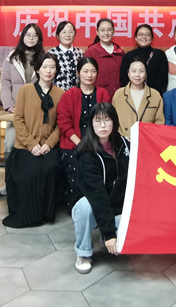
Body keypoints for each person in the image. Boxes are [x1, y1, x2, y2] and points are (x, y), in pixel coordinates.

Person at [2, 52, 64, 228]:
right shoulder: (25, 90)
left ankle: (45, 214)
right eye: (45, 67)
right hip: (25, 146)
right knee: (26, 174)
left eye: (52, 67)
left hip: (48, 147)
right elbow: (18, 119)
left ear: (56, 70)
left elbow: (60, 125)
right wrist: (31, 144)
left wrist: (48, 144)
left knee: (49, 169)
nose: (48, 71)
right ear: (37, 69)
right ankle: (27, 215)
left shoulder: (61, 93)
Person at [72, 103, 130, 274]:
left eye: (107, 120)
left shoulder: (124, 144)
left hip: (116, 205)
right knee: (84, 208)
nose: (103, 126)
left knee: (123, 248)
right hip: (93, 205)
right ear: (91, 124)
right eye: (98, 121)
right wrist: (110, 233)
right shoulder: (87, 153)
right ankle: (83, 252)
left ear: (115, 122)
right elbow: (98, 196)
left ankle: (106, 234)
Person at [56, 57, 111, 206]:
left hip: (98, 143)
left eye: (93, 71)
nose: (89, 75)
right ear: (78, 72)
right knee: (77, 165)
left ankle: (99, 205)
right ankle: (77, 205)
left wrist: (96, 143)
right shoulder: (69, 95)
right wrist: (80, 143)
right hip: (73, 143)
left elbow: (106, 120)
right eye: (85, 71)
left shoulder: (103, 94)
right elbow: (63, 122)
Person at [0, 23, 43, 171]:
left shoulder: (44, 58)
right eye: (28, 35)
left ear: (39, 38)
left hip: (37, 111)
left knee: (34, 145)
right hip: (16, 110)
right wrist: (8, 104)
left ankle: (28, 181)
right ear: (22, 37)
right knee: (10, 144)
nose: (31, 38)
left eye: (35, 35)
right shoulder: (12, 57)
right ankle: (10, 179)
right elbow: (5, 82)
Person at [112, 56, 165, 137]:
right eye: (133, 71)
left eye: (141, 71)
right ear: (128, 73)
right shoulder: (119, 94)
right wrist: (122, 138)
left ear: (146, 74)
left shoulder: (155, 95)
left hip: (148, 139)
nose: (137, 75)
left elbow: (159, 123)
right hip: (123, 139)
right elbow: (113, 120)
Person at [119, 24, 168, 96]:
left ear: (152, 38)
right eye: (140, 34)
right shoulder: (128, 56)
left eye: (147, 34)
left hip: (154, 95)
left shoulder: (160, 55)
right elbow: (123, 79)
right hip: (132, 95)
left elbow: (163, 80)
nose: (144, 37)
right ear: (136, 38)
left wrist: (152, 94)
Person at [83, 18, 125, 98]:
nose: (106, 33)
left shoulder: (120, 52)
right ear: (97, 32)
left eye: (109, 30)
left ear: (113, 31)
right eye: (102, 30)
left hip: (118, 96)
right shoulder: (91, 52)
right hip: (97, 96)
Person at [47, 20, 84, 91]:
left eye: (71, 32)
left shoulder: (80, 53)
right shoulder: (51, 53)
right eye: (64, 32)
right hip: (57, 93)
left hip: (77, 93)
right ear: (58, 35)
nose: (67, 35)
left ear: (75, 34)